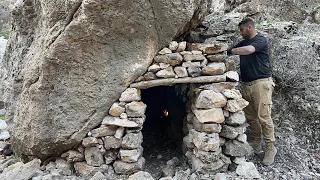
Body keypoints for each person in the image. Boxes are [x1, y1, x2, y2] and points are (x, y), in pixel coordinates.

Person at [227, 18, 276, 165]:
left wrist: (232, 51)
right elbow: (230, 50)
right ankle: (256, 143)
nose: (240, 33)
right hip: (247, 84)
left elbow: (249, 51)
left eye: (242, 30)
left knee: (264, 117)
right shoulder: (244, 42)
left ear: (249, 27)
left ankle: (270, 148)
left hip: (261, 84)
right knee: (252, 117)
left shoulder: (260, 40)